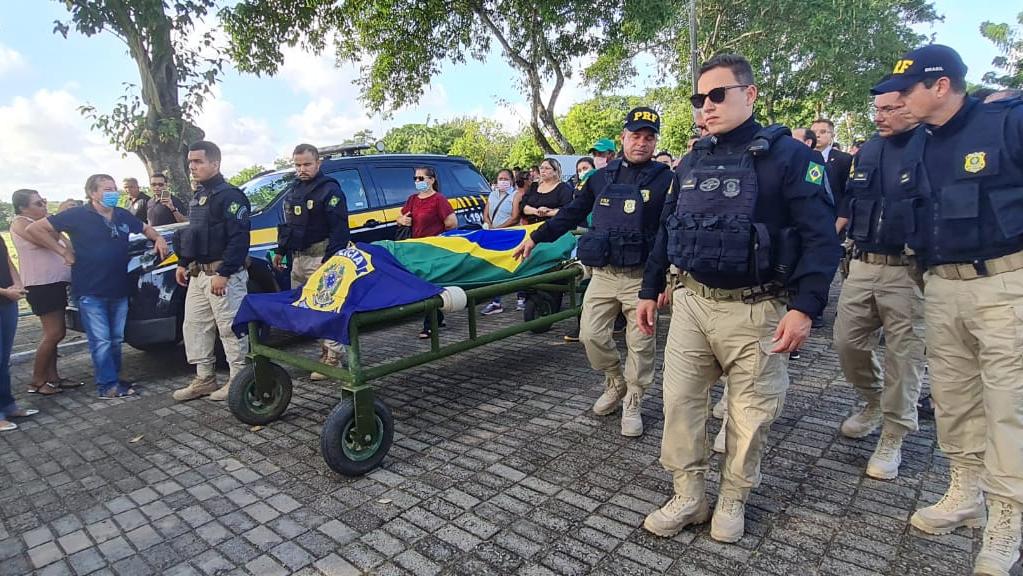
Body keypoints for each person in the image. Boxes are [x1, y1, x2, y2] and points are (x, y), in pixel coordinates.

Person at [637, 53, 840, 543]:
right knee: (681, 404)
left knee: (750, 413)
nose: (706, 106)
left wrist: (805, 307)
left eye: (717, 94)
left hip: (759, 308)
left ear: (749, 95)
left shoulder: (792, 158)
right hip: (690, 302)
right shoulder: (691, 160)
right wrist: (650, 287)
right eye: (698, 99)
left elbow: (820, 238)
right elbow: (669, 228)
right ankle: (689, 493)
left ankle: (733, 495)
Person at [872, 44, 1023, 575]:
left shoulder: (1007, 124)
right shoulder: (920, 146)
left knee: (1008, 406)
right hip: (941, 285)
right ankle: (965, 492)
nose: (897, 100)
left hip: (1005, 282)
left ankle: (1007, 521)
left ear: (940, 86)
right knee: (956, 399)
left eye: (908, 89)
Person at [513, 106, 678, 438]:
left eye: (649, 138)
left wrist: (665, 278)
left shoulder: (666, 181)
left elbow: (669, 232)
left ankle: (634, 399)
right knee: (590, 335)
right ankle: (615, 380)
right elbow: (571, 213)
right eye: (635, 136)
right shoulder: (601, 177)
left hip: (642, 277)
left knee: (641, 345)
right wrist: (535, 236)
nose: (642, 143)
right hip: (602, 275)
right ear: (623, 138)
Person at [832, 90, 925, 481]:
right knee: (847, 342)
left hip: (909, 269)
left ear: (913, 105)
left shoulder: (933, 144)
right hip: (864, 262)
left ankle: (894, 434)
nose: (880, 116)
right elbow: (852, 202)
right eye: (878, 109)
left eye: (890, 108)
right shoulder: (869, 150)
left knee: (904, 357)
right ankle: (874, 401)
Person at [26, 174, 169, 398]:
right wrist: (63, 250)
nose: (112, 193)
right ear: (92, 193)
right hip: (91, 290)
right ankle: (107, 386)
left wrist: (158, 238)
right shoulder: (77, 215)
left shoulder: (122, 215)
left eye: (114, 188)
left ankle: (114, 379)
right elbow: (34, 229)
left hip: (118, 288)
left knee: (115, 339)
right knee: (100, 341)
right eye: (106, 189)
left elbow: (146, 229)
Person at [172, 141, 252, 402]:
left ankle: (239, 381)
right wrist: (184, 262)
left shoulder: (230, 196)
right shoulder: (199, 196)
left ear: (215, 164)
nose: (192, 167)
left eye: (198, 162)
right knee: (195, 327)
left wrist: (225, 272)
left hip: (222, 275)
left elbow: (239, 239)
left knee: (230, 329)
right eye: (190, 162)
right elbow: (195, 234)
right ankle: (204, 379)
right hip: (199, 275)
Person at [272, 143, 350, 378]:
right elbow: (290, 226)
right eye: (298, 165)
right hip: (298, 258)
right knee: (306, 309)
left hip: (321, 257)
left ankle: (334, 357)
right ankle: (325, 351)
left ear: (318, 163)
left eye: (307, 164)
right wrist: (280, 251)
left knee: (326, 306)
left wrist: (331, 261)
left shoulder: (330, 190)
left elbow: (339, 230)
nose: (302, 169)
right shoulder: (295, 189)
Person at [10, 189, 76, 395]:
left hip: (54, 282)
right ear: (23, 207)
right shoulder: (21, 223)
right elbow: (44, 238)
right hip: (40, 285)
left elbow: (67, 244)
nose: (44, 207)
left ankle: (52, 377)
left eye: (44, 202)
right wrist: (55, 219)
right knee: (54, 333)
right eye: (38, 204)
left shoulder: (44, 224)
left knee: (57, 333)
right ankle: (37, 380)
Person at [396, 166, 456, 338]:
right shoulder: (412, 199)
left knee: (428, 283)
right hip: (416, 248)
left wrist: (439, 238)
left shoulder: (439, 200)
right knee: (423, 283)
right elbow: (400, 217)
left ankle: (430, 324)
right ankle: (437, 316)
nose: (417, 182)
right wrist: (402, 220)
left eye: (421, 178)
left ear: (431, 180)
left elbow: (451, 222)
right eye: (415, 178)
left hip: (433, 249)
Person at [0, 234, 34, 432]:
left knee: (4, 360)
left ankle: (8, 405)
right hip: (5, 296)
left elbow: (7, 261)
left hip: (7, 304)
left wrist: (18, 283)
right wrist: (5, 292)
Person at [481, 168, 522, 316]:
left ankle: (521, 298)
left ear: (511, 181)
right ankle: (495, 302)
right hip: (493, 236)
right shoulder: (492, 194)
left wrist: (499, 228)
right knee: (495, 267)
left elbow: (515, 217)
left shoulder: (516, 195)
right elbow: (486, 213)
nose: (502, 181)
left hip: (510, 235)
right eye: (500, 179)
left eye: (505, 179)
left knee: (515, 266)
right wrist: (489, 224)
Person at [812, 118, 853, 217]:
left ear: (832, 136)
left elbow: (848, 193)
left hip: (835, 216)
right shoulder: (804, 158)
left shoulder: (844, 159)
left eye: (823, 132)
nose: (817, 135)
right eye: (813, 132)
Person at [519, 158, 573, 225]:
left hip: (553, 227)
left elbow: (568, 209)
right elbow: (522, 205)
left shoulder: (564, 188)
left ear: (555, 171)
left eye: (547, 168)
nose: (543, 171)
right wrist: (536, 211)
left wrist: (548, 212)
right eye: (541, 168)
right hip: (531, 226)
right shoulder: (534, 186)